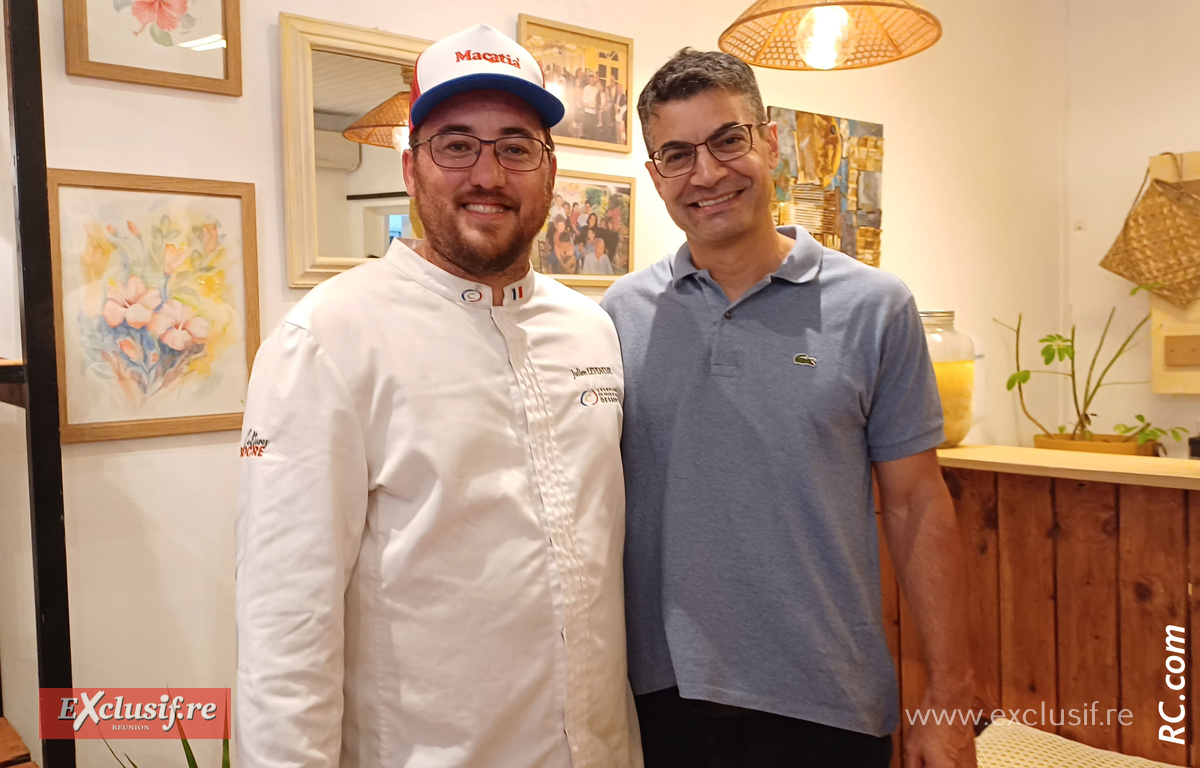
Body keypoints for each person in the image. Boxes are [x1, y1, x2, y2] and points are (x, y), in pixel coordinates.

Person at [237, 23, 641, 768]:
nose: (488, 173)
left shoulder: (591, 330)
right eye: (456, 144)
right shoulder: (328, 337)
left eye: (515, 146)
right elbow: (285, 624)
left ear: (550, 170)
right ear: (411, 166)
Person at [600, 48, 976, 768]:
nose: (706, 174)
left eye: (727, 140)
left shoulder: (875, 307)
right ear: (655, 177)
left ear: (771, 142)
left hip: (828, 704)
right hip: (658, 703)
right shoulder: (618, 317)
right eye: (677, 155)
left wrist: (950, 700)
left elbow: (918, 507)